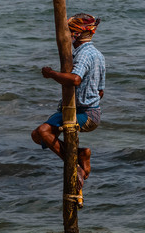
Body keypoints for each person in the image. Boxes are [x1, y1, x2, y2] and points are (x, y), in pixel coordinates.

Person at [31, 13, 105, 206]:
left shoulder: (84, 54)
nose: (67, 37)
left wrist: (51, 74)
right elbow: (101, 91)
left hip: (84, 114)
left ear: (77, 34)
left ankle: (75, 165)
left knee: (43, 132)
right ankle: (80, 154)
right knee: (37, 135)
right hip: (90, 112)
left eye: (69, 32)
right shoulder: (98, 55)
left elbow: (75, 79)